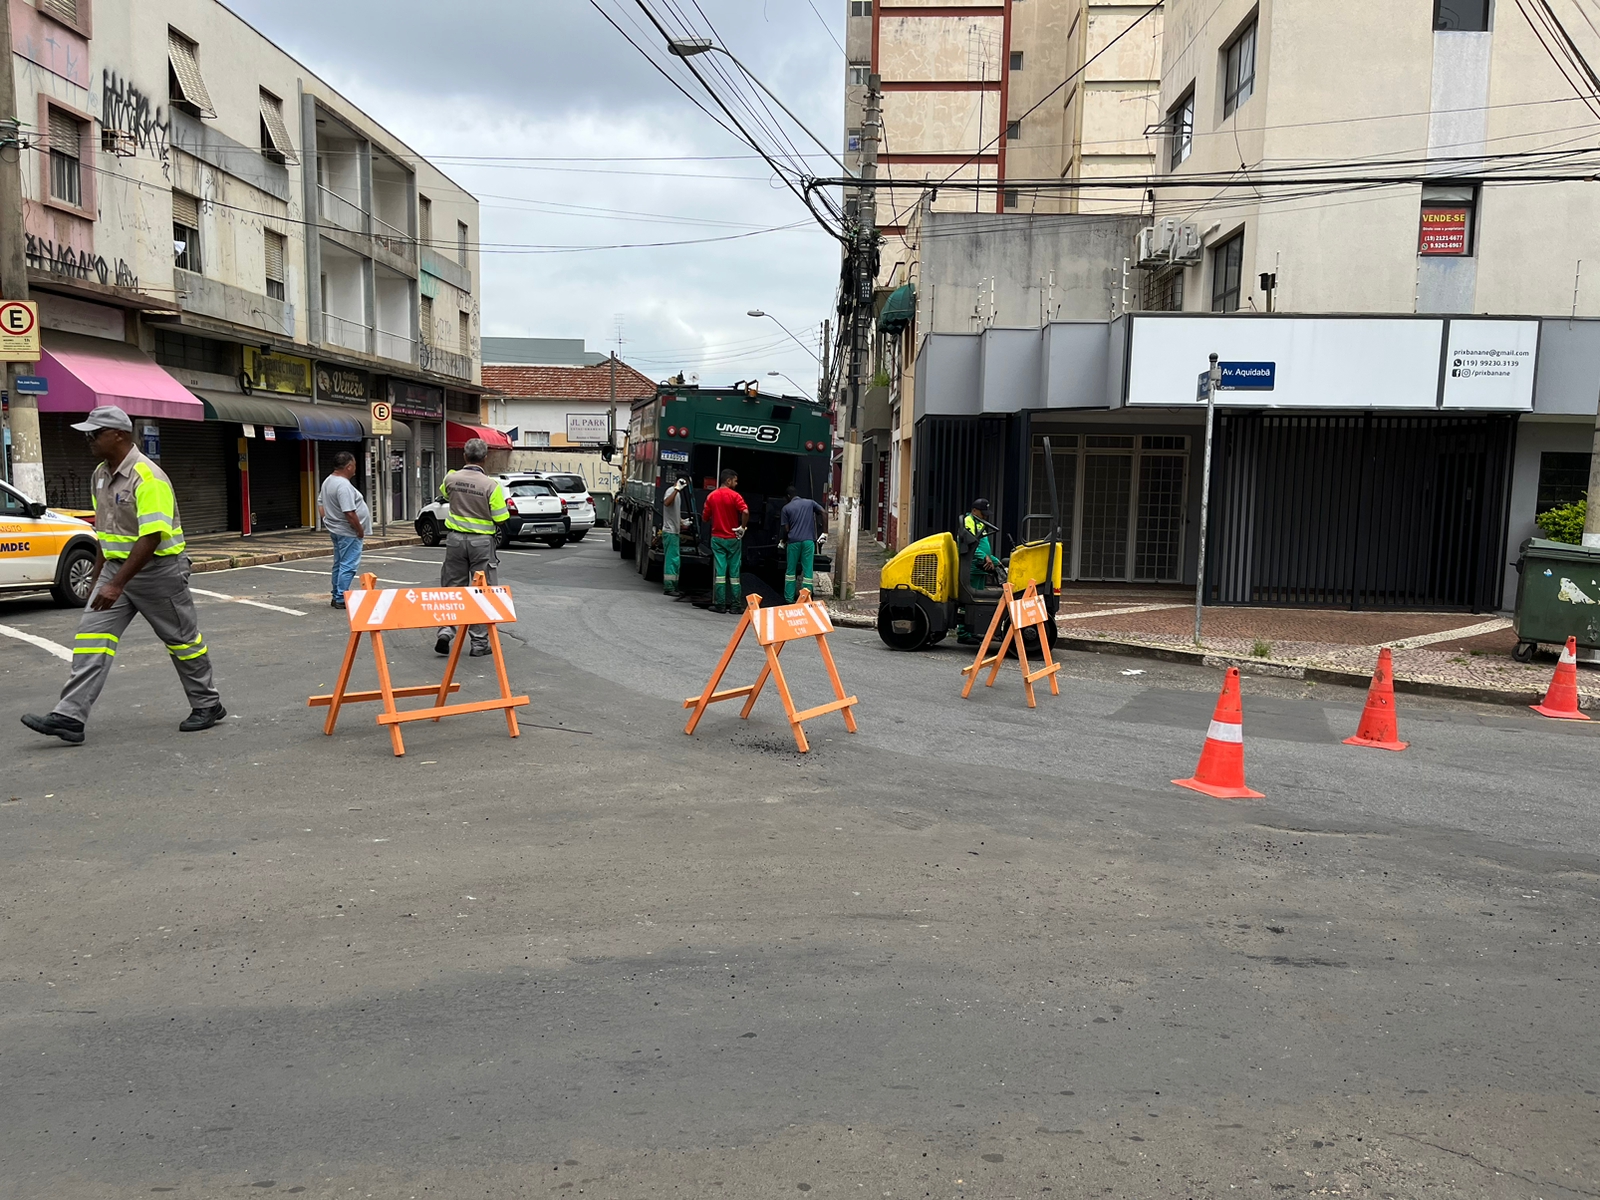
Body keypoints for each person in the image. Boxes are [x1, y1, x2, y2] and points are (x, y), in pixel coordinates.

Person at [21, 405, 225, 744]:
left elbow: (152, 537)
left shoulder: (149, 477)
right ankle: (70, 716)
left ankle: (208, 703)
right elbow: (105, 531)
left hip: (158, 572)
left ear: (118, 435)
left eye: (95, 433)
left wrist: (116, 584)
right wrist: (100, 578)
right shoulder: (100, 474)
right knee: (91, 638)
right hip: (116, 570)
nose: (89, 439)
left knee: (183, 642)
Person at [433, 438, 510, 657]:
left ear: (465, 456)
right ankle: (478, 643)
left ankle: (446, 631)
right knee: (481, 592)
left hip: (455, 541)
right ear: (485, 458)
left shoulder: (451, 478)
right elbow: (501, 517)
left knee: (451, 589)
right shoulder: (491, 486)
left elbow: (446, 494)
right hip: (481, 544)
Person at [318, 451, 369, 609]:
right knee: (348, 565)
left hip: (336, 529)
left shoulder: (328, 481)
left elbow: (321, 503)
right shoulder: (343, 486)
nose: (355, 469)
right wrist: (360, 530)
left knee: (339, 563)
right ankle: (341, 597)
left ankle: (336, 594)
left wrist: (327, 520)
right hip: (348, 532)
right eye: (353, 466)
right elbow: (349, 512)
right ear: (348, 466)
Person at [702, 468, 748, 613]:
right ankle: (735, 606)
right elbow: (745, 511)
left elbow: (705, 517)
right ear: (728, 481)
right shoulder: (735, 496)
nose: (736, 483)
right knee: (734, 573)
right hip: (733, 538)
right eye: (735, 481)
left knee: (720, 572)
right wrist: (742, 527)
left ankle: (720, 605)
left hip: (717, 538)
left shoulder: (711, 496)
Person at [779, 486, 827, 603]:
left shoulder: (786, 508)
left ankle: (789, 599)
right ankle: (806, 598)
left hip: (793, 542)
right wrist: (825, 532)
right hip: (808, 541)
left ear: (788, 496)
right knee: (808, 571)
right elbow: (824, 512)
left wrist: (783, 541)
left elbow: (786, 529)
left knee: (790, 571)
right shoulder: (810, 503)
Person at [661, 476, 689, 596]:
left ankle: (674, 586)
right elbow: (666, 503)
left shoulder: (677, 494)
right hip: (670, 531)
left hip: (674, 531)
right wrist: (676, 489)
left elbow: (672, 512)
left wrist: (682, 521)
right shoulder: (671, 491)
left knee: (675, 561)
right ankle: (669, 587)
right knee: (671, 560)